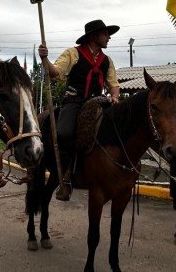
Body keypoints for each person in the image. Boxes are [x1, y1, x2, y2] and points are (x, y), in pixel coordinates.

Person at [38, 19, 120, 201]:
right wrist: (45, 59)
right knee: (65, 133)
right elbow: (55, 72)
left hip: (98, 102)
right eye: (105, 34)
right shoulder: (73, 53)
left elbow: (113, 84)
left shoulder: (107, 61)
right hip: (74, 101)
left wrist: (115, 96)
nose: (108, 38)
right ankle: (66, 177)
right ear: (93, 36)